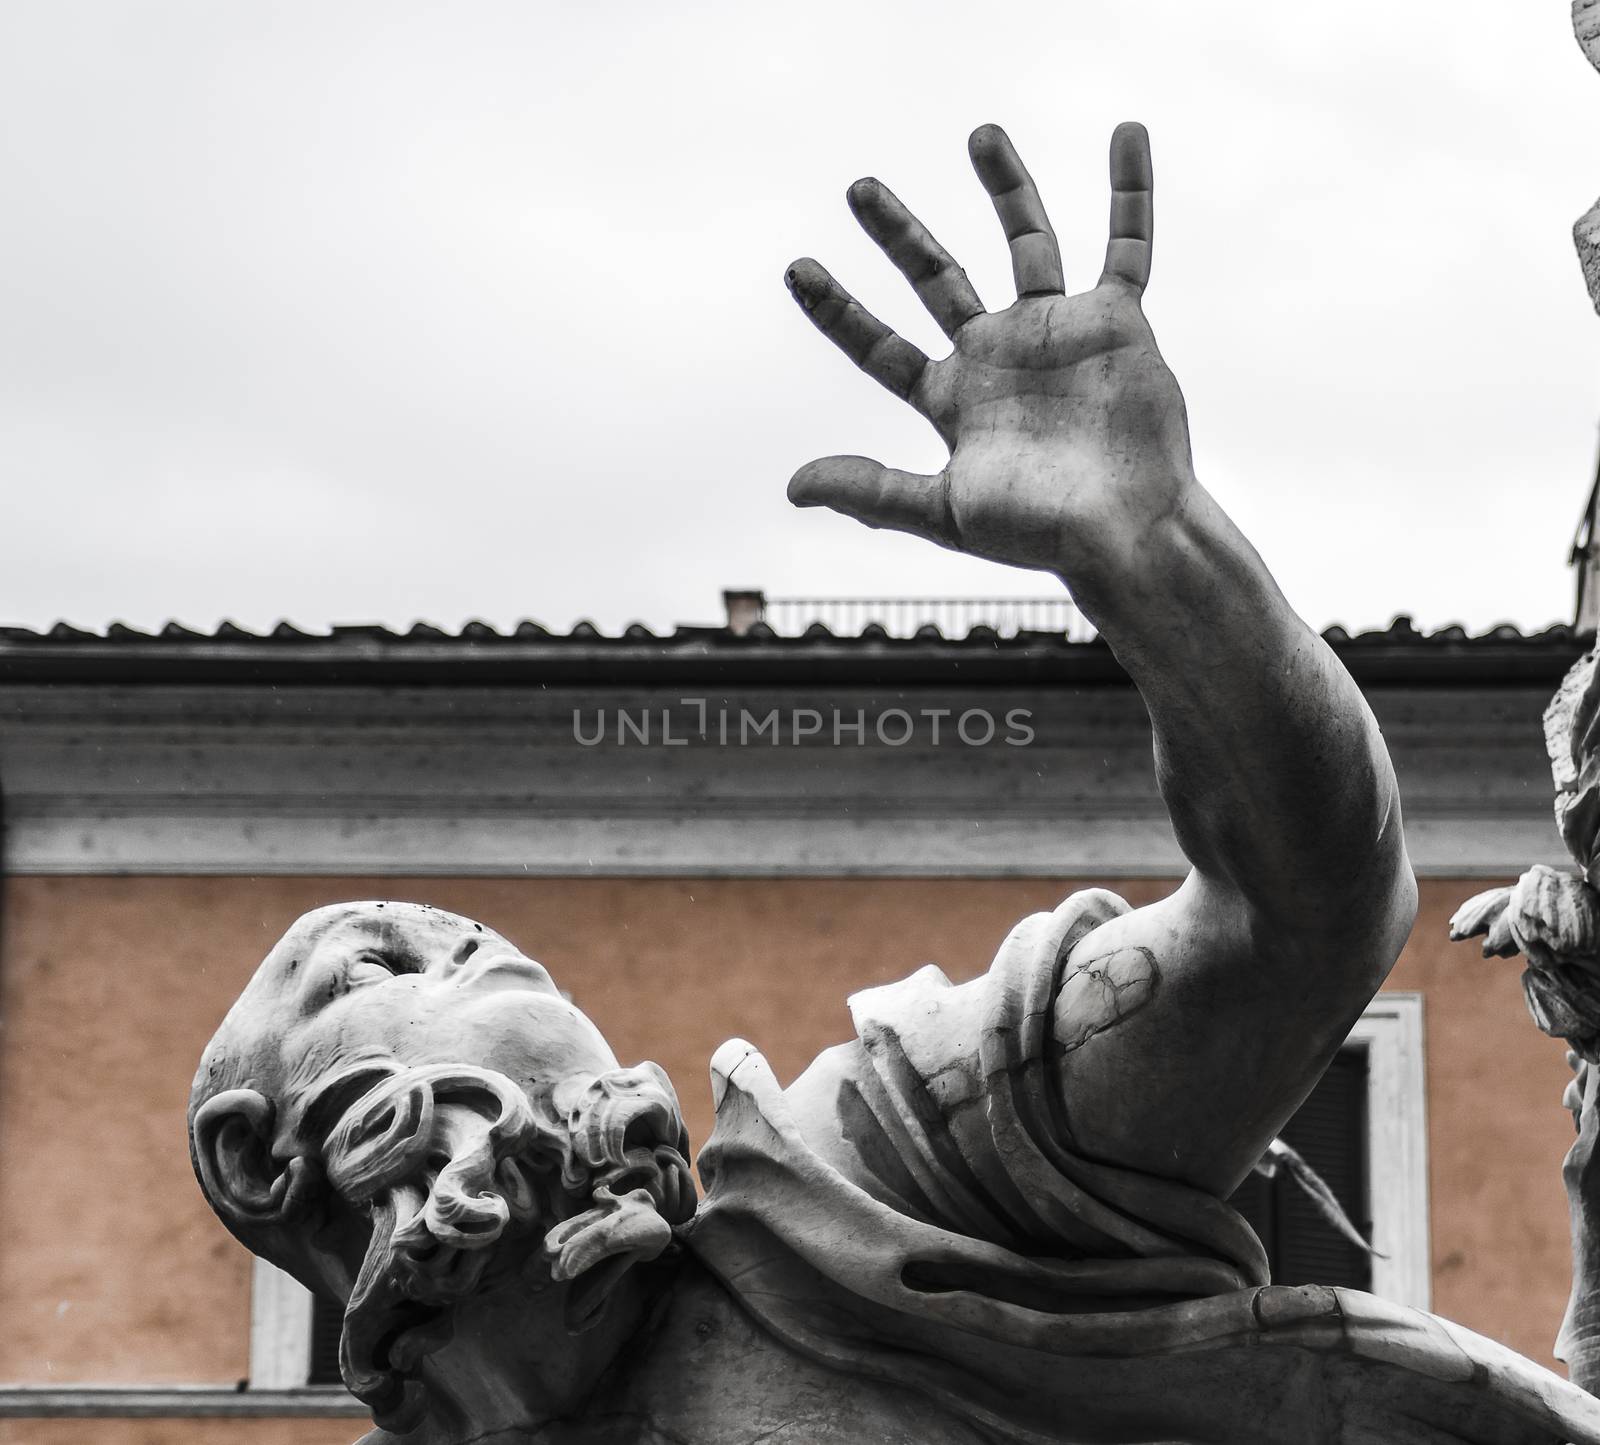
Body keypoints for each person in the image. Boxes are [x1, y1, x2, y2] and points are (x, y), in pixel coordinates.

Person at [190, 124, 1600, 1445]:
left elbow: (1303, 920)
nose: (504, 958)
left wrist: (1155, 553)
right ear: (258, 1161)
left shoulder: (870, 1158)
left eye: (483, 939)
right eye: (389, 955)